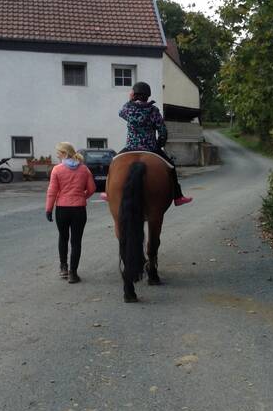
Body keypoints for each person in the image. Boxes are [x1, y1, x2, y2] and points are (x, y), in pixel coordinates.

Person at [104, 81, 192, 206]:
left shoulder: (129, 109)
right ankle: (178, 196)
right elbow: (162, 131)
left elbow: (120, 112)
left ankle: (108, 193)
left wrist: (130, 100)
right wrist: (159, 144)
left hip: (131, 147)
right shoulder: (153, 110)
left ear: (134, 95)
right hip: (151, 148)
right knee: (171, 166)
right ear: (148, 96)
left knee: (113, 164)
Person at [45, 142, 96, 283]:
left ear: (65, 153)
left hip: (62, 209)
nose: (57, 154)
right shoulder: (84, 169)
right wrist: (82, 197)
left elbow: (52, 192)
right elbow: (92, 188)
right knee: (76, 241)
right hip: (79, 210)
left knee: (63, 237)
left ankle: (63, 268)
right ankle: (73, 273)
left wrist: (49, 209)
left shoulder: (57, 170)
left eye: (59, 152)